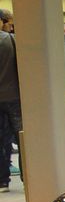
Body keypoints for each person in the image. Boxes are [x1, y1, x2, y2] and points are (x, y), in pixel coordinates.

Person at [0, 18, 21, 192]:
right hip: (14, 96)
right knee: (23, 138)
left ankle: (2, 181)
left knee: (1, 140)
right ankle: (28, 178)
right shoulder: (11, 40)